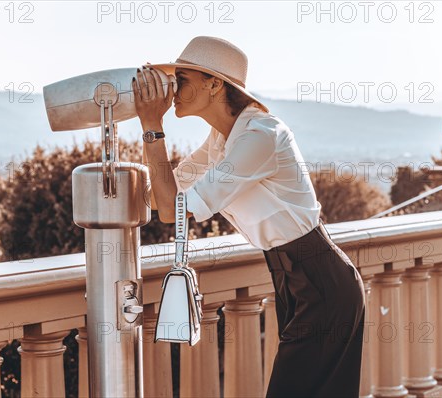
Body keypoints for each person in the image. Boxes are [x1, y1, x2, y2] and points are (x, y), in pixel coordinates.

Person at [131, 35, 365, 398]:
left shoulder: (259, 136)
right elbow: (165, 203)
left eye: (182, 80)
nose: (173, 90)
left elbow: (180, 209)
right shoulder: (220, 139)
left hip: (322, 279)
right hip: (293, 278)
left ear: (214, 84)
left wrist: (152, 126)